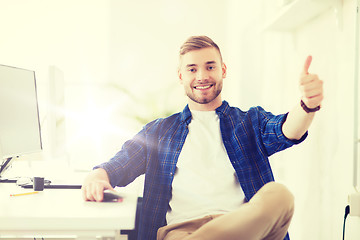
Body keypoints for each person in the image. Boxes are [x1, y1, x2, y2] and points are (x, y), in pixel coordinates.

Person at [82, 36, 324, 240]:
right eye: (192, 69)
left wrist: (307, 105)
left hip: (244, 227)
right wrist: (96, 176)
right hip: (182, 232)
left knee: (279, 195)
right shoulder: (159, 131)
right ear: (180, 76)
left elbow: (286, 130)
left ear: (223, 70)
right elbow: (117, 166)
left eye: (210, 67)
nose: (201, 76)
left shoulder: (249, 122)